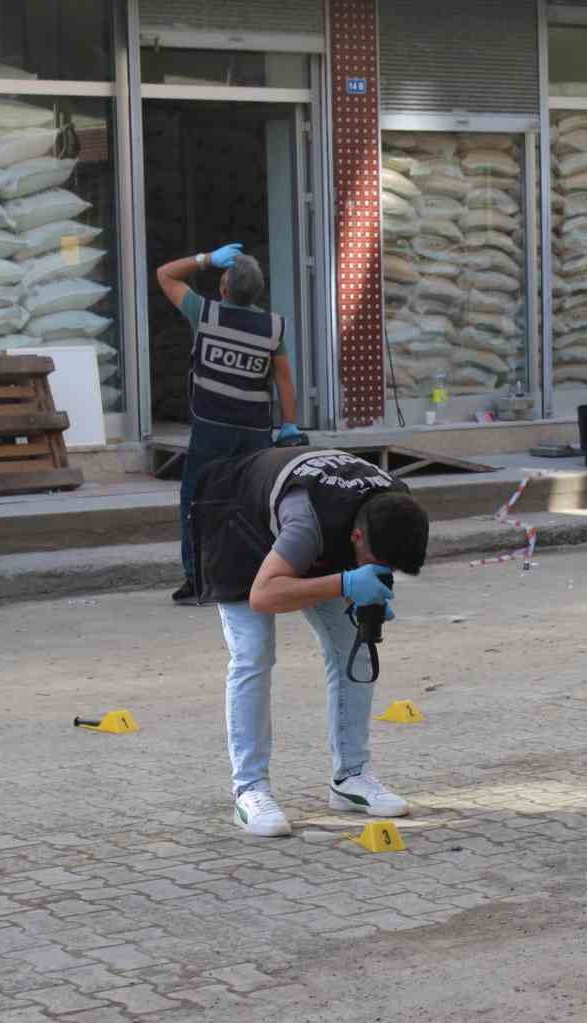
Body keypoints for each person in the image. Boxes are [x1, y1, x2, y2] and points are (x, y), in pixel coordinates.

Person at [190, 446, 431, 836]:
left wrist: (364, 594)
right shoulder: (309, 523)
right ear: (356, 537)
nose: (380, 572)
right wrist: (346, 583)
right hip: (238, 522)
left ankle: (351, 778)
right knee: (254, 655)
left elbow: (369, 558)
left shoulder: (394, 503)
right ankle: (249, 791)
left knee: (357, 646)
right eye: (374, 564)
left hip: (304, 527)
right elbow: (263, 595)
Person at [156, 243, 300, 606]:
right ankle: (256, 577)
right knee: (253, 503)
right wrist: (290, 425)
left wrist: (204, 259)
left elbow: (164, 274)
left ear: (223, 289)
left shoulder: (206, 314)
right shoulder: (272, 326)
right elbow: (283, 379)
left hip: (211, 428)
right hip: (255, 432)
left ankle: (197, 580)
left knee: (197, 501)